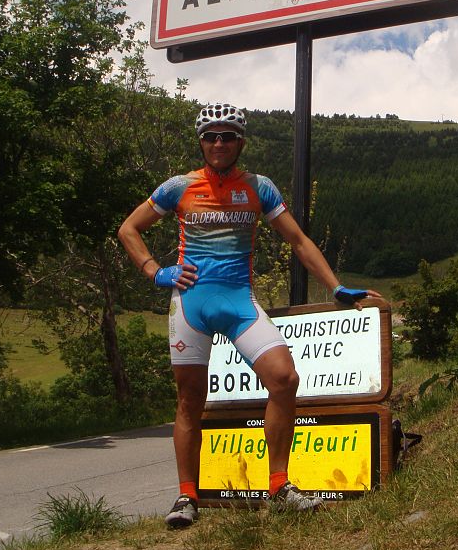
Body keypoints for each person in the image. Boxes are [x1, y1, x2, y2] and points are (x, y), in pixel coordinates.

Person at [118, 102, 381, 528]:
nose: (218, 143)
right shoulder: (178, 186)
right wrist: (155, 271)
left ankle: (279, 487)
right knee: (190, 402)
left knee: (284, 377)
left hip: (239, 300)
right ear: (201, 142)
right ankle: (187, 496)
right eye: (210, 136)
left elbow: (297, 240)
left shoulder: (259, 186)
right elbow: (129, 229)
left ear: (241, 141)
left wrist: (335, 286)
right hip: (191, 304)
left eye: (227, 136)